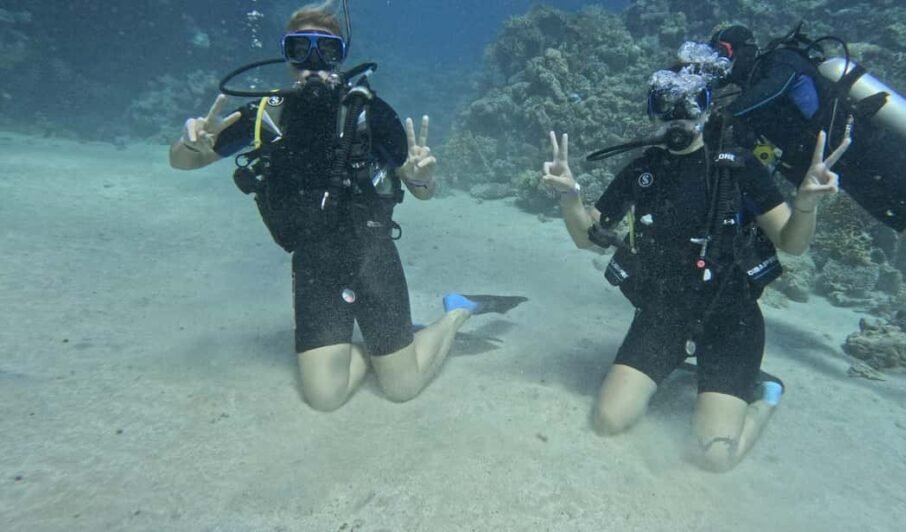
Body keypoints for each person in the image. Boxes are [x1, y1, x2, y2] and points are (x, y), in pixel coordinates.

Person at [169, 1, 523, 411]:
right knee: (324, 398)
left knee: (402, 388)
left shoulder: (369, 114)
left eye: (326, 51)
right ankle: (381, 347)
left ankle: (456, 312)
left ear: (340, 58)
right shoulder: (267, 115)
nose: (313, 64)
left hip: (371, 254)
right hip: (314, 263)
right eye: (300, 49)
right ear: (287, 57)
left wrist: (421, 176)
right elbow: (184, 162)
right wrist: (189, 144)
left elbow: (423, 190)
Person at [541, 43, 850, 471]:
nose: (677, 120)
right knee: (608, 421)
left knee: (714, 457)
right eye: (665, 109)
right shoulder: (644, 170)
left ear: (707, 109)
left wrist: (806, 206)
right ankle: (680, 366)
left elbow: (791, 242)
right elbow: (586, 236)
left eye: (690, 107)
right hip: (663, 313)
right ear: (653, 113)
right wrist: (570, 197)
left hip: (731, 319)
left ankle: (767, 396)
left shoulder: (737, 168)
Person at [709, 24, 906, 255]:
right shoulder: (749, 104)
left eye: (723, 53)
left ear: (742, 49)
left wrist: (725, 116)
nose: (720, 63)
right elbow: (766, 154)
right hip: (853, 178)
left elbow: (775, 89)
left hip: (875, 154)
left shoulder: (782, 60)